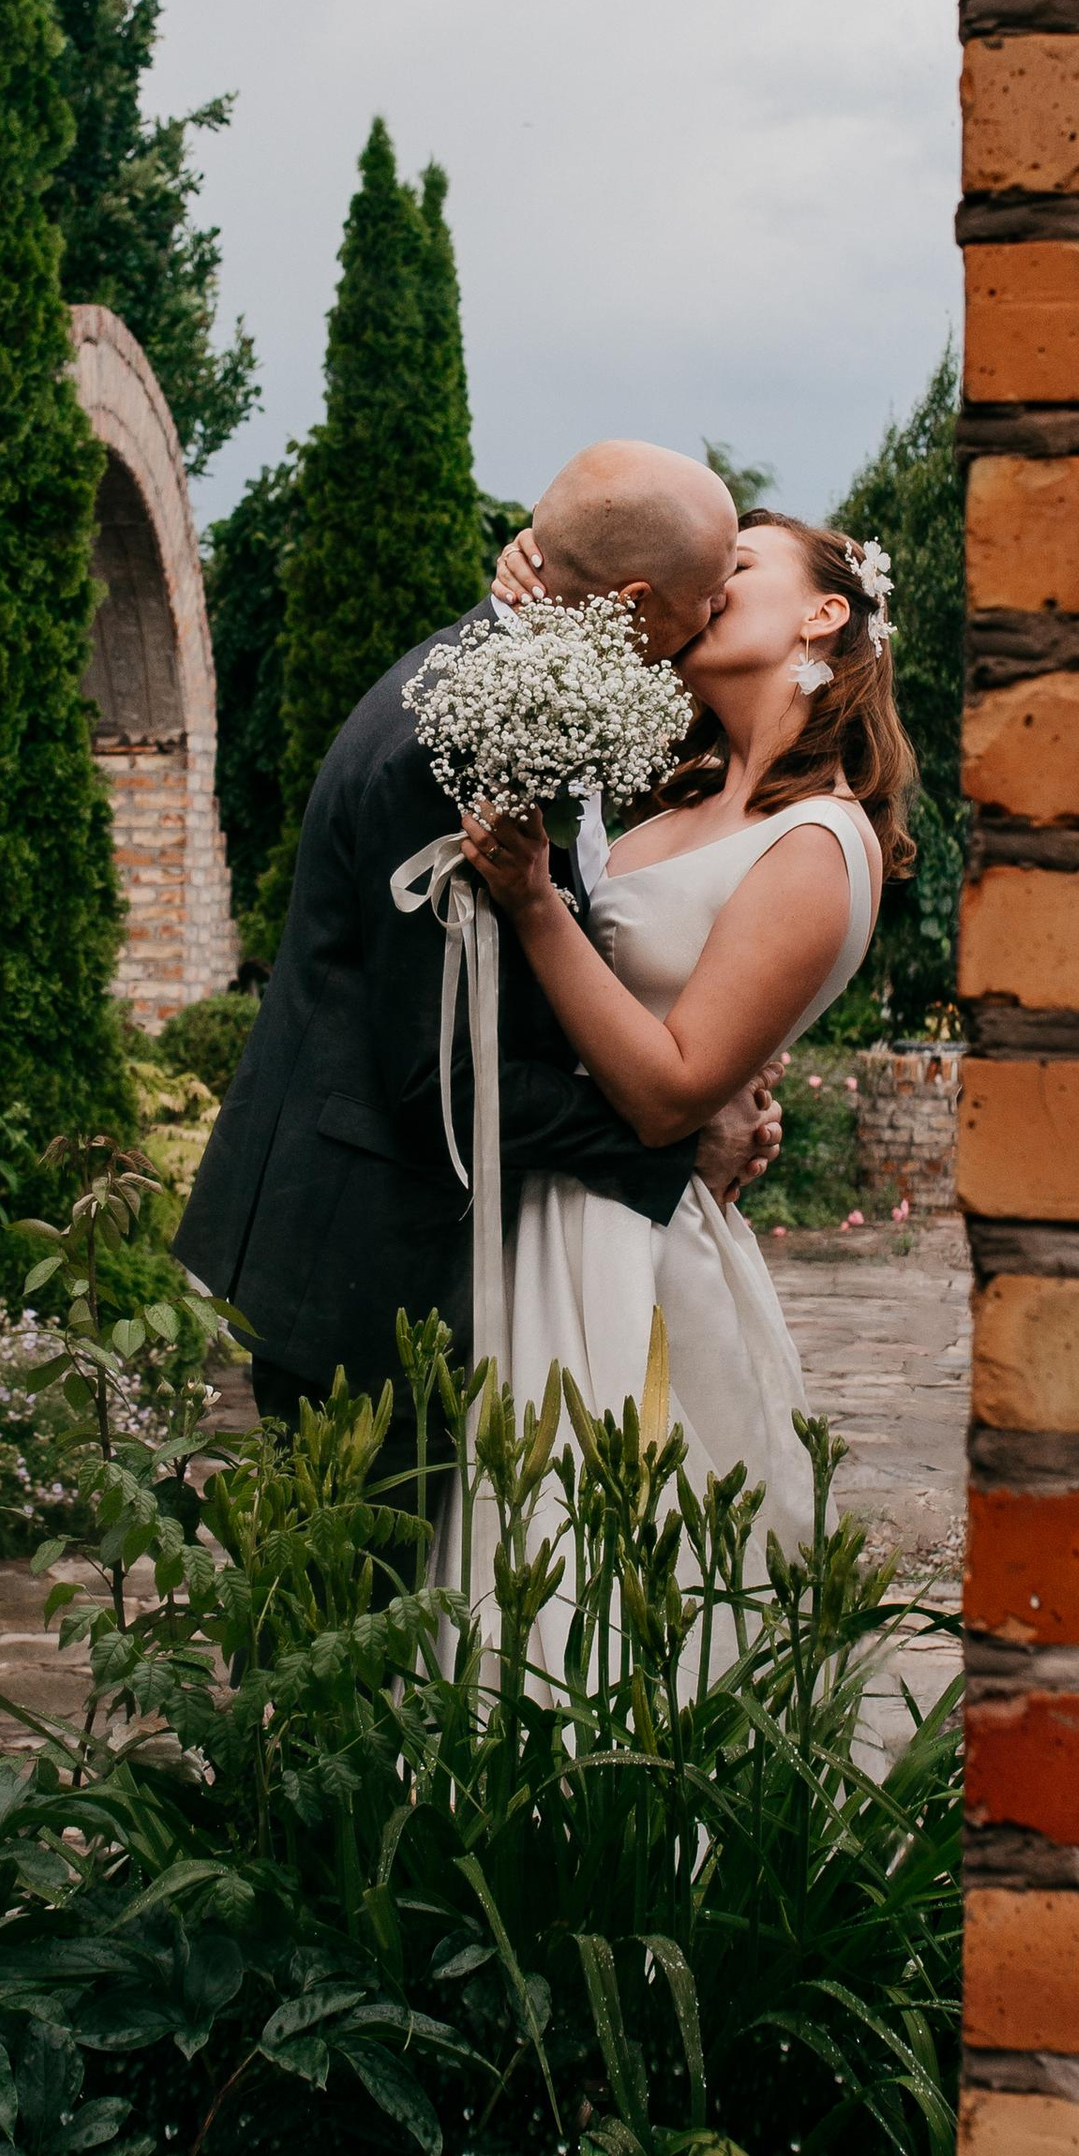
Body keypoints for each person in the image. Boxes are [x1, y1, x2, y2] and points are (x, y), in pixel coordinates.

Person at [177, 443, 778, 1487]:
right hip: (366, 1259)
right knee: (353, 1616)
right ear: (635, 602)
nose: (719, 609)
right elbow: (443, 1081)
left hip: (400, 1245)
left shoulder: (532, 688)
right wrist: (675, 1144)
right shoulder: (450, 743)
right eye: (708, 592)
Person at [456, 507, 911, 1588]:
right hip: (546, 1206)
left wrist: (533, 904)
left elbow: (668, 1097)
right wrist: (539, 588)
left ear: (823, 614)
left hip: (633, 1241)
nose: (705, 589)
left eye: (736, 569)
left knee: (603, 1581)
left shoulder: (818, 842)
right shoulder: (681, 792)